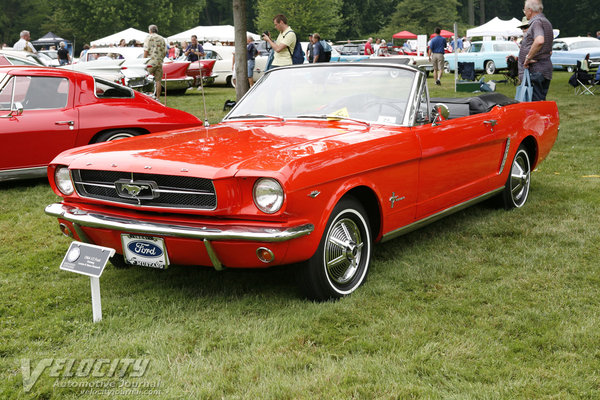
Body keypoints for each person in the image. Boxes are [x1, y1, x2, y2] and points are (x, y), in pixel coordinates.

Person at [519, 0, 553, 101]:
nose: (524, 12)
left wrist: (527, 58)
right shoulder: (546, 21)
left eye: (524, 10)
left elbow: (539, 40)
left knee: (534, 105)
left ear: (530, 10)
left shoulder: (536, 22)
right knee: (540, 102)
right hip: (544, 68)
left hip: (535, 70)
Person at [143, 24, 166, 99]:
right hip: (159, 62)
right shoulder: (162, 38)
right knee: (158, 80)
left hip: (150, 62)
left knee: (144, 79)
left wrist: (143, 61)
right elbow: (165, 51)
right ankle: (158, 97)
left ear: (150, 30)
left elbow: (146, 50)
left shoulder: (148, 37)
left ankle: (146, 96)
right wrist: (161, 58)